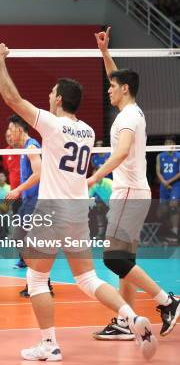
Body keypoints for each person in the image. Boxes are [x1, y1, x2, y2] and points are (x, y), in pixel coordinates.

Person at [0, 42, 157, 361]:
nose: (49, 96)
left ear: (58, 99)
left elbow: (12, 98)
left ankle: (50, 344)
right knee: (87, 277)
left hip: (53, 210)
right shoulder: (87, 130)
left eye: (52, 92)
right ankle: (132, 317)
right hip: (78, 212)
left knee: (37, 278)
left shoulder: (52, 124)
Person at [89, 27, 179, 341]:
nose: (108, 90)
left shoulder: (127, 118)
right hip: (134, 192)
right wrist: (104, 53)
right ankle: (127, 321)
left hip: (127, 192)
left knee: (113, 258)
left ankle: (168, 301)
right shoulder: (132, 109)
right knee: (125, 261)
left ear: (124, 89)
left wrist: (96, 176)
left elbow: (123, 151)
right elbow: (116, 75)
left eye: (112, 87)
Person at [5, 115, 40, 276]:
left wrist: (18, 189)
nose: (9, 134)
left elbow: (39, 173)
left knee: (24, 236)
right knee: (21, 235)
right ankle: (34, 273)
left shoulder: (31, 147)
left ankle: (38, 279)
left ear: (20, 130)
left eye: (11, 130)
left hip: (36, 200)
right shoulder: (23, 148)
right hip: (29, 200)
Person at [156, 136, 179, 244]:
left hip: (175, 185)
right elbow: (158, 171)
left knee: (173, 206)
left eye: (170, 142)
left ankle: (174, 232)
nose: (168, 144)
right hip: (163, 185)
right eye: (166, 142)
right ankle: (170, 231)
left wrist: (169, 181)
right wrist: (164, 182)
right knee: (161, 212)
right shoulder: (160, 156)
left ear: (174, 144)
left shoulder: (178, 155)